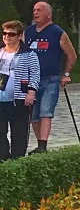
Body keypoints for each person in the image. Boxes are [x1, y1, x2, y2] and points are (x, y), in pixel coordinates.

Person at [23, 1, 75, 152]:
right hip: (32, 80)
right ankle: (40, 144)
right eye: (34, 10)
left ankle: (43, 145)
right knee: (34, 115)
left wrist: (66, 74)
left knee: (46, 111)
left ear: (49, 14)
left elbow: (71, 55)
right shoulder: (29, 32)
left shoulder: (57, 32)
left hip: (51, 79)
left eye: (39, 10)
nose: (36, 13)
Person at [0, 21, 39, 159]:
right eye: (4, 33)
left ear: (19, 36)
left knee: (19, 133)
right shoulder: (0, 52)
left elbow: (35, 74)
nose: (7, 37)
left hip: (19, 99)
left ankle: (17, 159)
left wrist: (31, 92)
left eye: (11, 34)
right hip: (1, 99)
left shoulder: (29, 54)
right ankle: (3, 159)